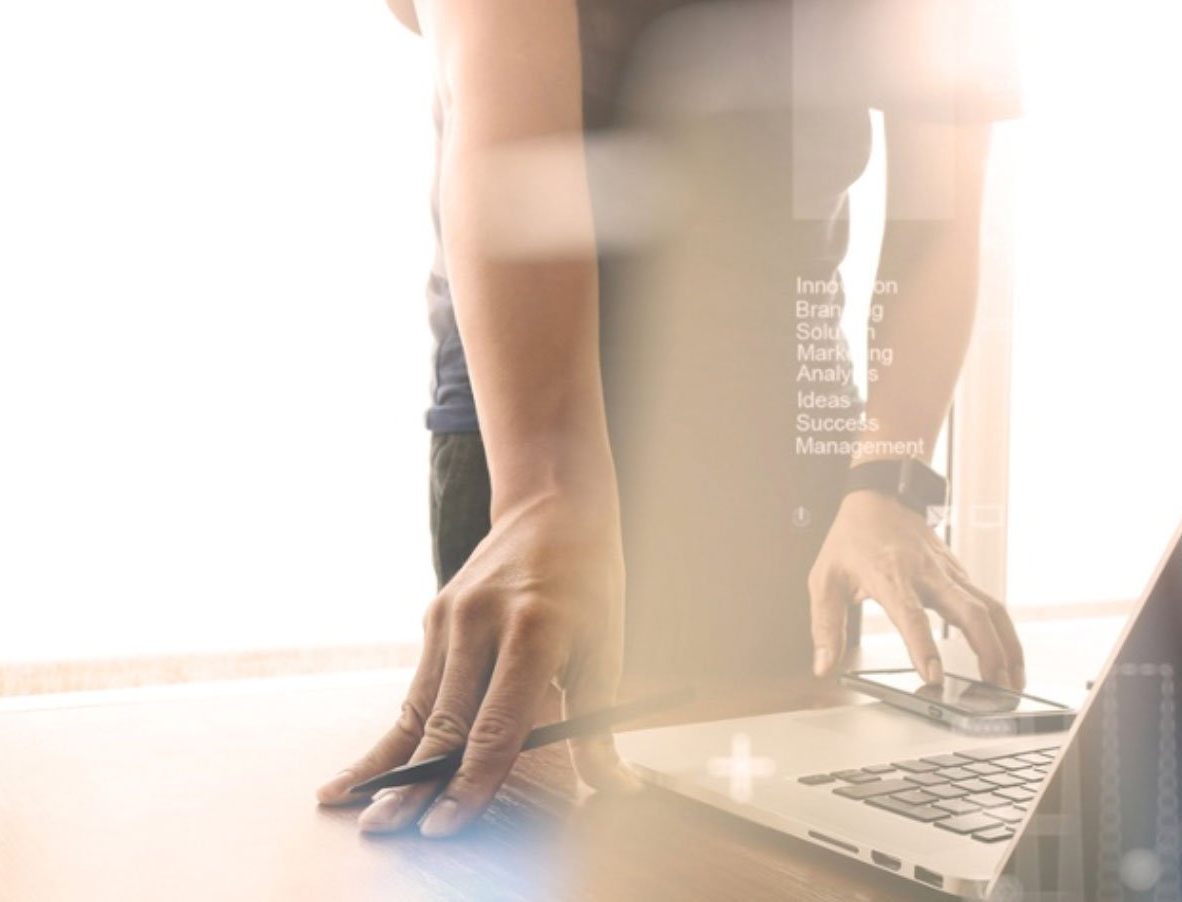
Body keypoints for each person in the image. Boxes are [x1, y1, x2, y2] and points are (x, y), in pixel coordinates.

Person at [317, 0, 1026, 838]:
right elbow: (515, 139)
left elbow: (938, 201)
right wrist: (545, 492)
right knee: (544, 826)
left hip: (774, 413)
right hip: (538, 384)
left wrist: (886, 479)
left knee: (770, 827)